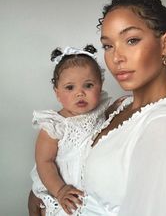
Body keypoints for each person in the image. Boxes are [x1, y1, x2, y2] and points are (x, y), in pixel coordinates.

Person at [29, 0, 166, 216]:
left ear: (165, 44)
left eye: (131, 40)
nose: (116, 57)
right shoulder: (118, 108)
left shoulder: (165, 125)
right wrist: (42, 194)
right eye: (108, 46)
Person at [30, 44, 112, 216]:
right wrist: (59, 191)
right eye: (70, 87)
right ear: (57, 93)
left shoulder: (103, 111)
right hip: (63, 192)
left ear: (100, 85)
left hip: (92, 194)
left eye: (88, 85)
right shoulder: (55, 124)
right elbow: (44, 162)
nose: (80, 93)